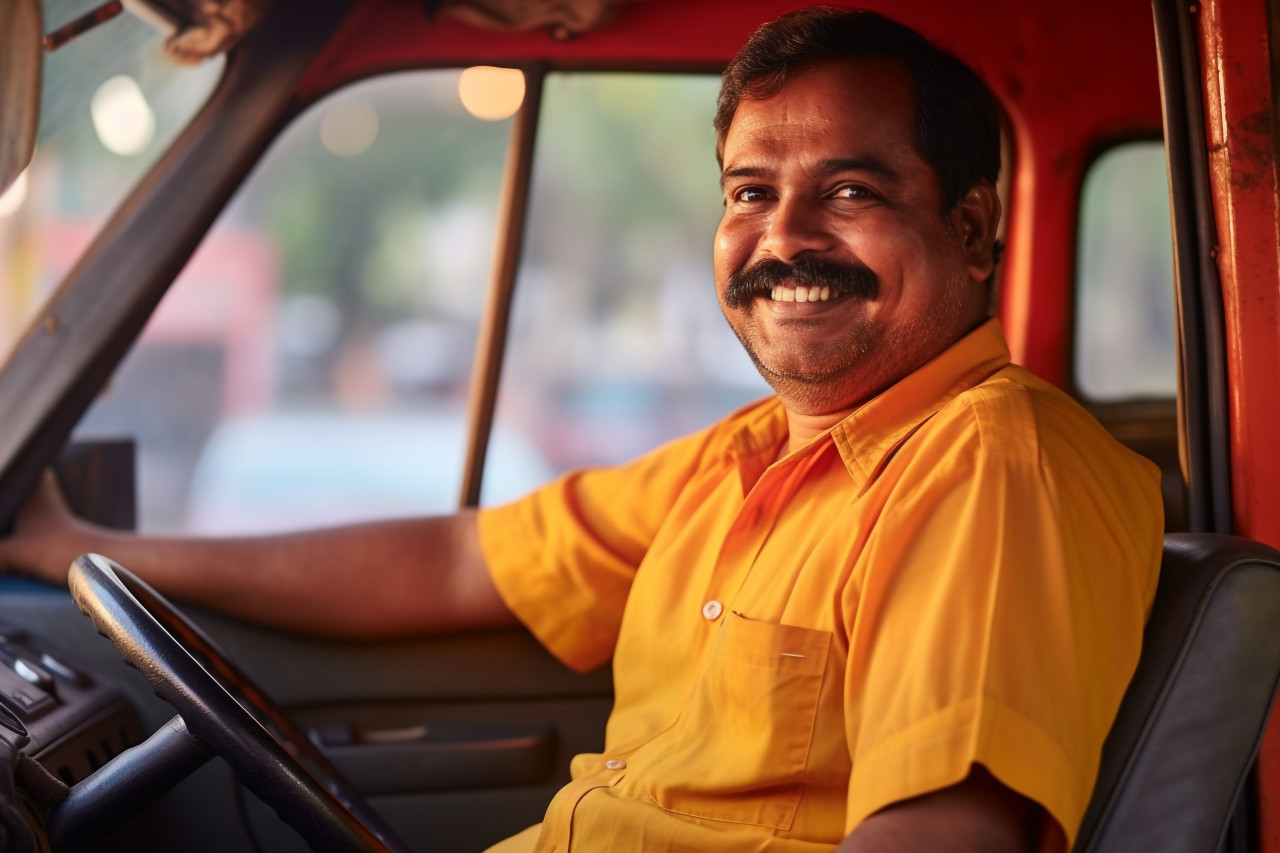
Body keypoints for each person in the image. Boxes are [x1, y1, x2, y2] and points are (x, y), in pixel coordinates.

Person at [0, 8, 1163, 853]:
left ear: (968, 231)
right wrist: (83, 549)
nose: (783, 237)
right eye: (749, 192)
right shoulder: (747, 455)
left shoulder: (987, 465)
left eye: (850, 192)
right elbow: (461, 560)